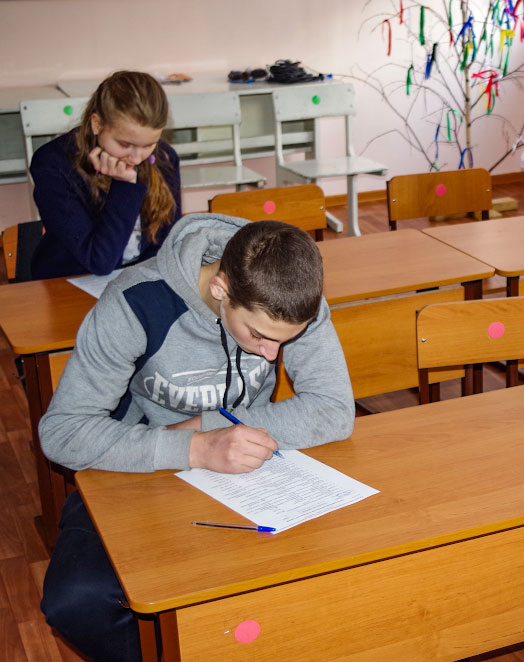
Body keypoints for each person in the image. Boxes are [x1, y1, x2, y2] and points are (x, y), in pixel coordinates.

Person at [38, 214, 355, 662]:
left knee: (338, 574)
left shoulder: (290, 293)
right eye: (259, 336)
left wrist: (205, 428)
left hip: (251, 476)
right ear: (221, 290)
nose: (272, 355)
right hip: (141, 471)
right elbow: (63, 433)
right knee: (76, 601)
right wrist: (194, 448)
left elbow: (334, 411)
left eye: (285, 341)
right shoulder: (135, 301)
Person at [30, 70, 182, 280]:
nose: (137, 158)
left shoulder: (164, 158)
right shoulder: (53, 165)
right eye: (125, 144)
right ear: (97, 124)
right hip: (69, 283)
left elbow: (166, 247)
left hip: (135, 281)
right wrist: (124, 187)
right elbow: (99, 261)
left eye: (149, 145)